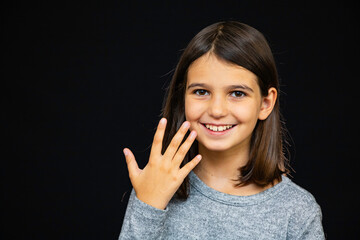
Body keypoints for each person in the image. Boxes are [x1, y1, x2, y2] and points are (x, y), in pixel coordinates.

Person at [119, 21, 325, 239]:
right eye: (201, 91)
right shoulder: (155, 185)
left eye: (237, 93)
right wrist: (149, 205)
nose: (217, 110)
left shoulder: (297, 211)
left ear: (265, 103)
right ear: (183, 97)